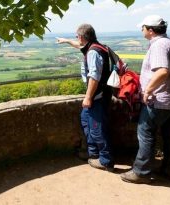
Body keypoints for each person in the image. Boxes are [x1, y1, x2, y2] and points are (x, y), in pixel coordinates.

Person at [121, 15, 170, 184]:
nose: (141, 30)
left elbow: (162, 71)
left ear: (150, 30)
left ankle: (141, 172)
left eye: (142, 27)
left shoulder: (159, 46)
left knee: (145, 133)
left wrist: (148, 90)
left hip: (159, 100)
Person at [57, 24, 114, 172]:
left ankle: (106, 161)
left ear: (82, 37)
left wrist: (88, 97)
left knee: (97, 129)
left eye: (77, 36)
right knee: (86, 121)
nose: (77, 39)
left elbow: (94, 76)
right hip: (99, 95)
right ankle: (92, 153)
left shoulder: (93, 52)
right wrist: (66, 41)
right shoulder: (95, 46)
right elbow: (78, 45)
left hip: (97, 97)